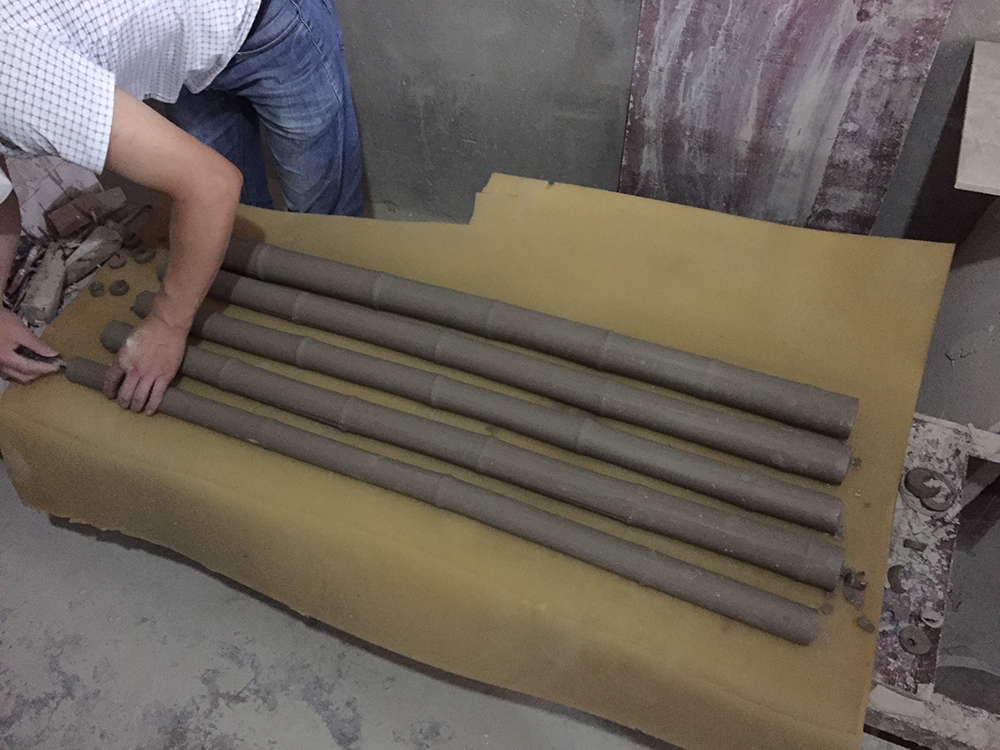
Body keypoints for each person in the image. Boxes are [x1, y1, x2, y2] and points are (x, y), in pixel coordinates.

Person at [0, 0, 363, 412]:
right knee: (231, 231)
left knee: (326, 226)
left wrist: (166, 326)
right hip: (183, 47)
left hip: (270, 20)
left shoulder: (12, 77)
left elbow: (212, 185)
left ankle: (342, 341)